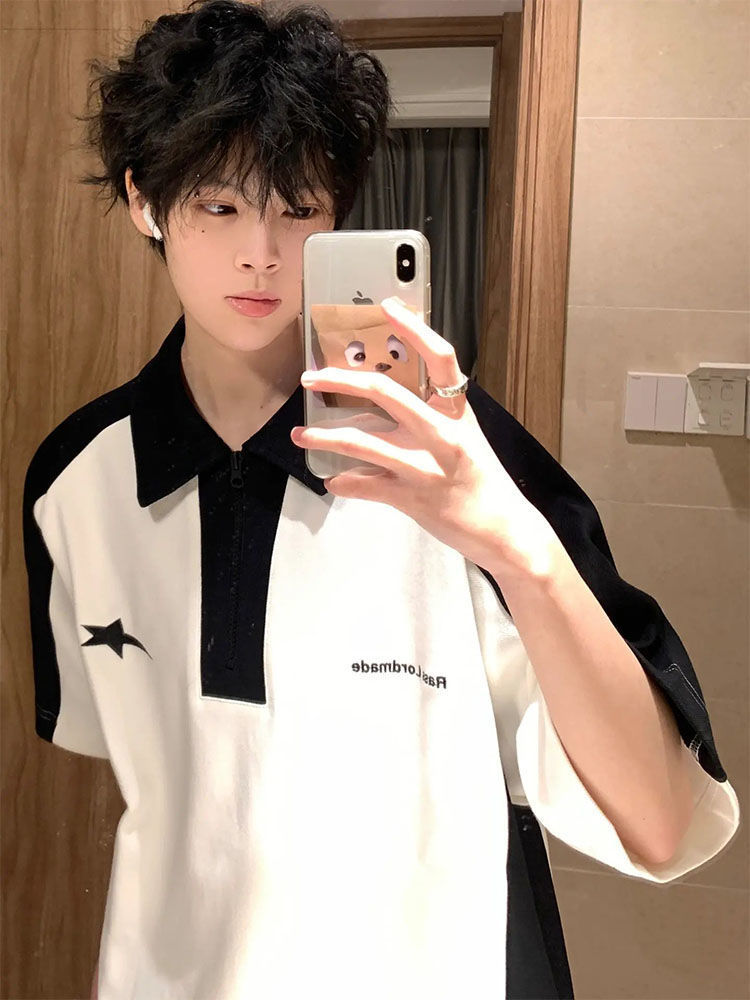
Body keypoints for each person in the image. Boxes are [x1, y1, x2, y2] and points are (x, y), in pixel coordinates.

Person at [22, 2, 740, 998]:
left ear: (339, 215)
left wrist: (518, 546)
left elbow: (661, 827)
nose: (261, 252)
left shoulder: (461, 460)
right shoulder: (75, 479)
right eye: (219, 207)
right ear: (145, 199)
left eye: (297, 207)